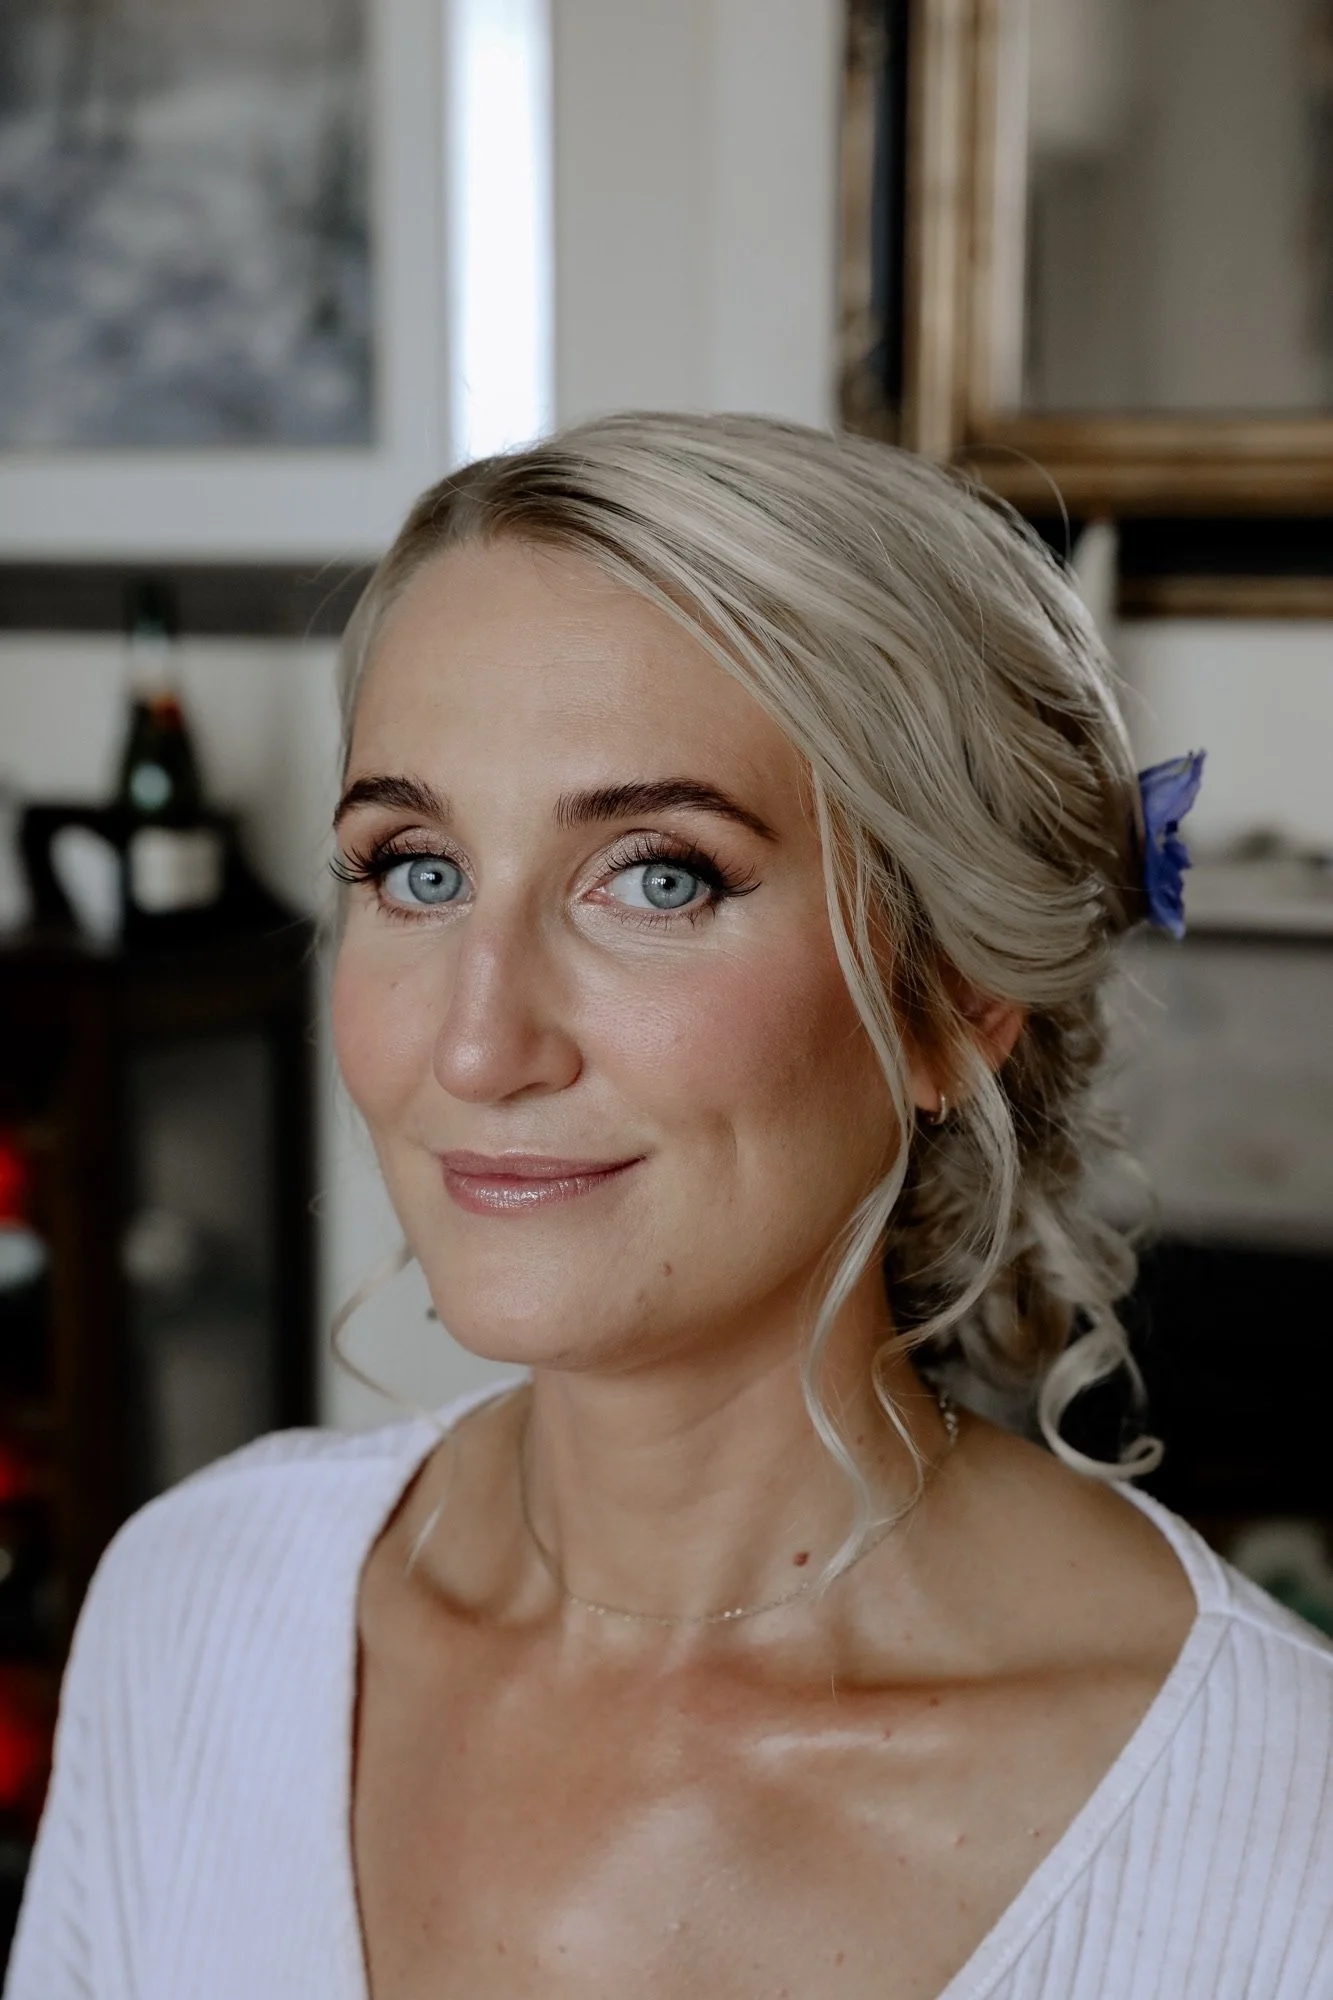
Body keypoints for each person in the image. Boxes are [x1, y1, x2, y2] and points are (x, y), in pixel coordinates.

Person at [7, 413, 1331, 1999]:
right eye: (416, 869)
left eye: (658, 875)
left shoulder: (1276, 1829)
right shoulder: (193, 1611)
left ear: (953, 1000)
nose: (479, 1043)